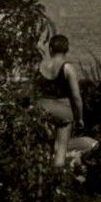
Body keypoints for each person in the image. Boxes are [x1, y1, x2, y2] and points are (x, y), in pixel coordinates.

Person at [35, 33, 87, 168]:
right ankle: (56, 180)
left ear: (50, 49)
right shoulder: (68, 67)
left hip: (43, 107)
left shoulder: (41, 66)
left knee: (44, 146)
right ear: (67, 49)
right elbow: (76, 97)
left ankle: (41, 176)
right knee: (61, 148)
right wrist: (79, 118)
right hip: (63, 110)